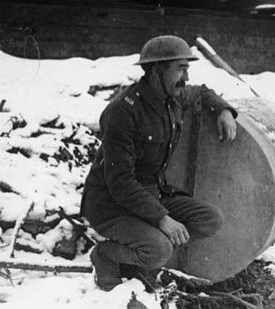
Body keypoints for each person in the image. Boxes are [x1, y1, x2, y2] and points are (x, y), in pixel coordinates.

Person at [81, 35, 237, 291]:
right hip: (111, 205)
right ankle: (107, 254)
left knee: (210, 220)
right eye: (180, 68)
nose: (185, 77)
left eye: (187, 69)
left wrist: (223, 110)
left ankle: (139, 258)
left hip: (152, 195)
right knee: (160, 249)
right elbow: (120, 182)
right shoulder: (123, 112)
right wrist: (162, 219)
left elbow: (201, 92)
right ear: (156, 70)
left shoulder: (172, 96)